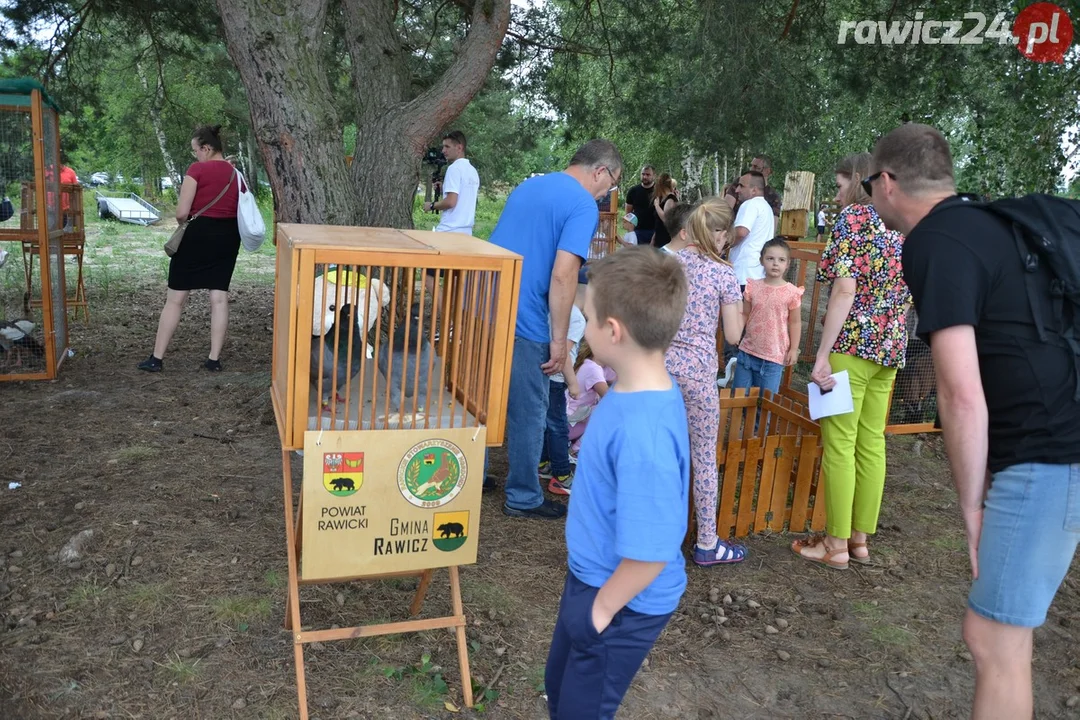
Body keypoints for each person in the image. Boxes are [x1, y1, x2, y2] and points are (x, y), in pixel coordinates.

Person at [870, 122, 1080, 720]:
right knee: (1006, 638)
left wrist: (970, 510)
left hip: (1046, 452)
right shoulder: (994, 226)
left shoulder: (934, 241)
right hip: (1058, 440)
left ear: (886, 183)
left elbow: (960, 393)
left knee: (993, 641)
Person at [544, 247, 690, 720]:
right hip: (593, 580)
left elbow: (652, 550)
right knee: (560, 690)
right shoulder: (627, 391)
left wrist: (599, 613)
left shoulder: (643, 433)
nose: (581, 329)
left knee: (580, 711)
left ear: (612, 331)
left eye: (586, 318)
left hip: (622, 602)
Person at [488, 139, 622, 520]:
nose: (606, 193)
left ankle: (476, 475)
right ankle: (524, 496)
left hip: (485, 303)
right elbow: (564, 274)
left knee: (485, 398)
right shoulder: (582, 204)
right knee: (531, 409)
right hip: (525, 314)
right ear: (600, 171)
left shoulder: (530, 185)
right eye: (610, 184)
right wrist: (559, 341)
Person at [792, 151, 911, 569]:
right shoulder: (907, 223)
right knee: (872, 442)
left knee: (840, 445)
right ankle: (859, 540)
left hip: (852, 346)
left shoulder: (855, 221)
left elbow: (843, 291)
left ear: (860, 180)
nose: (837, 193)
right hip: (892, 347)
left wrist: (822, 354)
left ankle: (835, 545)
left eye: (841, 183)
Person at [664, 197, 747, 566]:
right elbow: (732, 335)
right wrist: (745, 310)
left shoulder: (670, 264)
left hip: (661, 370)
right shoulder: (724, 274)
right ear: (720, 234)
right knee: (703, 458)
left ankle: (656, 538)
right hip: (698, 375)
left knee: (660, 452)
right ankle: (707, 544)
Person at [138, 125, 244, 373]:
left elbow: (182, 213)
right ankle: (214, 359)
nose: (195, 155)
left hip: (197, 235)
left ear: (206, 148)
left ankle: (157, 358)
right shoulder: (234, 173)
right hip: (229, 236)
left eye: (196, 150)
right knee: (219, 298)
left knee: (176, 299)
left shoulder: (197, 169)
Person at [733, 238, 803, 395]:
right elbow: (745, 313)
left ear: (788, 264)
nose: (775, 263)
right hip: (747, 352)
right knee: (738, 397)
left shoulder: (792, 293)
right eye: (770, 258)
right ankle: (740, 420)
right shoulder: (753, 287)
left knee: (765, 404)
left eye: (781, 259)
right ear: (761, 260)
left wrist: (793, 349)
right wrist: (736, 332)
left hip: (773, 357)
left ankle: (759, 422)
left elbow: (795, 323)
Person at [540, 289, 587, 496]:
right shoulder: (575, 317)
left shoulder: (554, 310)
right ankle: (561, 475)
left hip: (545, 377)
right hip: (557, 378)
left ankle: (543, 463)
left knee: (546, 422)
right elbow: (563, 354)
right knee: (558, 426)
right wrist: (573, 382)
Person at [566, 339, 616, 456]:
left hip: (575, 418)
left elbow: (619, 379)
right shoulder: (593, 369)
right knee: (605, 411)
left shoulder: (594, 365)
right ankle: (576, 450)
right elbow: (610, 398)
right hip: (570, 424)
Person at [425, 131, 479, 235]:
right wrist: (444, 189)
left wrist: (431, 205)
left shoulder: (454, 168)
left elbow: (451, 202)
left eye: (447, 147)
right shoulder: (472, 171)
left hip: (449, 231)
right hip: (466, 232)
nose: (443, 150)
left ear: (459, 148)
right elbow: (462, 197)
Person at [729, 171, 774, 290]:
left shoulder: (750, 204)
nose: (737, 190)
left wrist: (723, 244)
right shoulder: (767, 207)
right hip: (759, 273)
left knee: (739, 309)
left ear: (754, 190)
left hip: (743, 273)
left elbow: (741, 232)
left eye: (741, 186)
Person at [624, 166, 657, 246]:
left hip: (655, 231)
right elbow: (628, 213)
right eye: (643, 174)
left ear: (654, 175)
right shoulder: (633, 191)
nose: (645, 177)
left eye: (648, 174)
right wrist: (630, 230)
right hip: (637, 231)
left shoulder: (659, 191)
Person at [649, 174, 678, 248]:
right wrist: (653, 238)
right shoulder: (662, 198)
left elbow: (666, 219)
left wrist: (657, 206)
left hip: (666, 237)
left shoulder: (670, 199)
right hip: (659, 236)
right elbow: (658, 222)